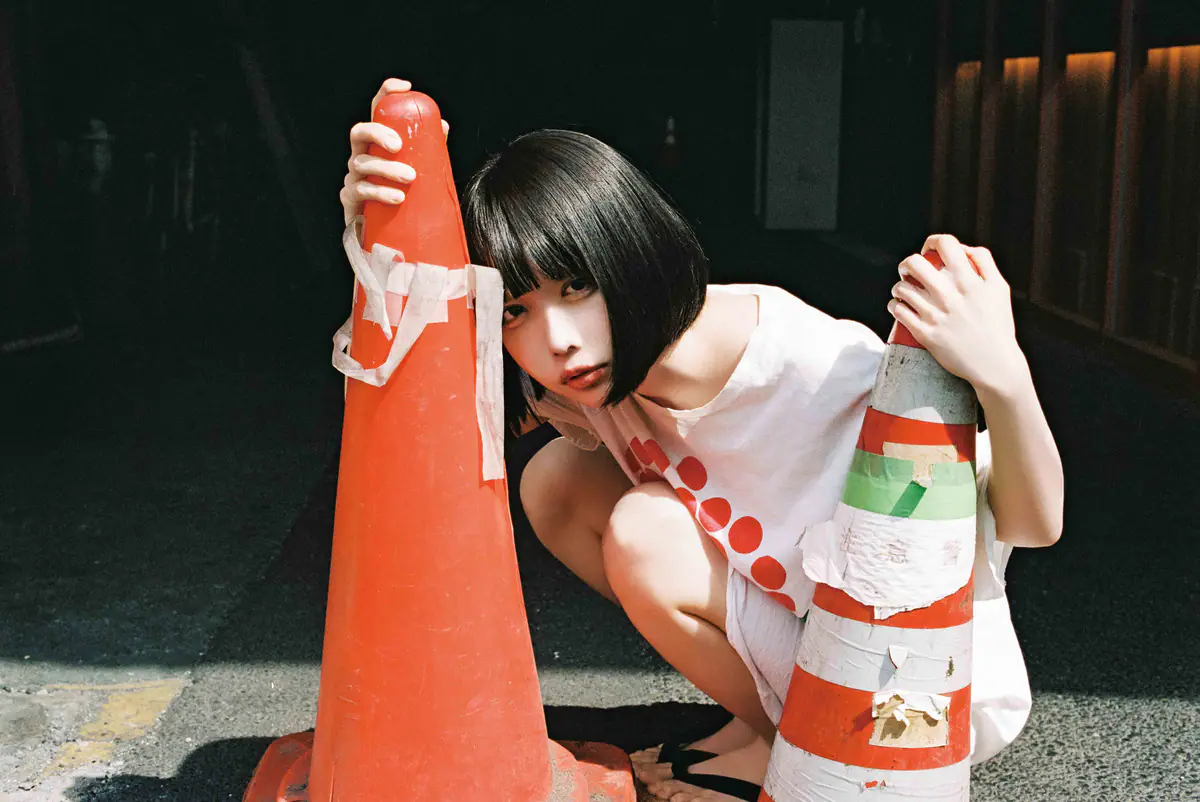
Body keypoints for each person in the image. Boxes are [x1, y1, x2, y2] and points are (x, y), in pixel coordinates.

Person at [339, 78, 1065, 802]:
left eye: (577, 286)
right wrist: (394, 228)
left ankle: (796, 755)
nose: (556, 341)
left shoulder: (813, 363)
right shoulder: (589, 378)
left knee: (644, 531)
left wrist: (1004, 376)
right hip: (811, 637)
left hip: (919, 693)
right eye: (516, 311)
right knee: (557, 481)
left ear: (632, 248)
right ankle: (770, 723)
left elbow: (1033, 526)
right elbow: (421, 401)